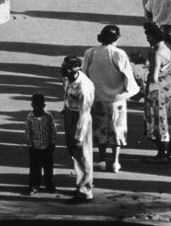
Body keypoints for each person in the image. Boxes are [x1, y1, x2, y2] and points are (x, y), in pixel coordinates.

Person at [81, 24, 137, 173]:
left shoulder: (90, 53)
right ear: (116, 38)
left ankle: (101, 160)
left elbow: (85, 74)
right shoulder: (119, 53)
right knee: (116, 130)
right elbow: (128, 77)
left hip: (97, 97)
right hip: (117, 99)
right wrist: (131, 91)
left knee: (100, 130)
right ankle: (116, 162)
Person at [143, 23, 171, 162]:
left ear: (152, 36)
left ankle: (161, 154)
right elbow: (164, 67)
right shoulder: (167, 46)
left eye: (147, 35)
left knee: (158, 119)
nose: (147, 39)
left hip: (158, 89)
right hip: (170, 86)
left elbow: (153, 77)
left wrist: (142, 78)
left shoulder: (155, 52)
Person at [61, 55, 95, 205]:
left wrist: (79, 137)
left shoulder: (84, 86)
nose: (63, 70)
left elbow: (85, 113)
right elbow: (67, 93)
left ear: (76, 69)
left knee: (82, 154)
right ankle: (81, 184)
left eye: (67, 68)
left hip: (80, 119)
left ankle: (85, 192)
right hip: (70, 113)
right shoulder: (69, 78)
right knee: (72, 150)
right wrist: (65, 108)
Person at [23, 93, 58, 195]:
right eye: (35, 107)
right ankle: (34, 185)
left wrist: (53, 142)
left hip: (47, 147)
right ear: (32, 105)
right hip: (35, 148)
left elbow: (53, 129)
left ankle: (49, 184)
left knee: (48, 168)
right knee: (35, 168)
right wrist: (29, 145)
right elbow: (28, 132)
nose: (38, 110)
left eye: (40, 107)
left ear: (44, 106)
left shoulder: (48, 116)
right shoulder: (29, 117)